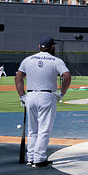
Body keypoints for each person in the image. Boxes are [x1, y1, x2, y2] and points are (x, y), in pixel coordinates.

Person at [14, 37, 71, 168]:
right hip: (47, 95)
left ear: (39, 46)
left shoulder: (28, 60)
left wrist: (22, 96)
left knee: (32, 130)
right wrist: (62, 93)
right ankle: (39, 159)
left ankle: (31, 157)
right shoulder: (56, 60)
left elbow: (18, 77)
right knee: (44, 129)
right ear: (52, 47)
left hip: (31, 95)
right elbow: (67, 76)